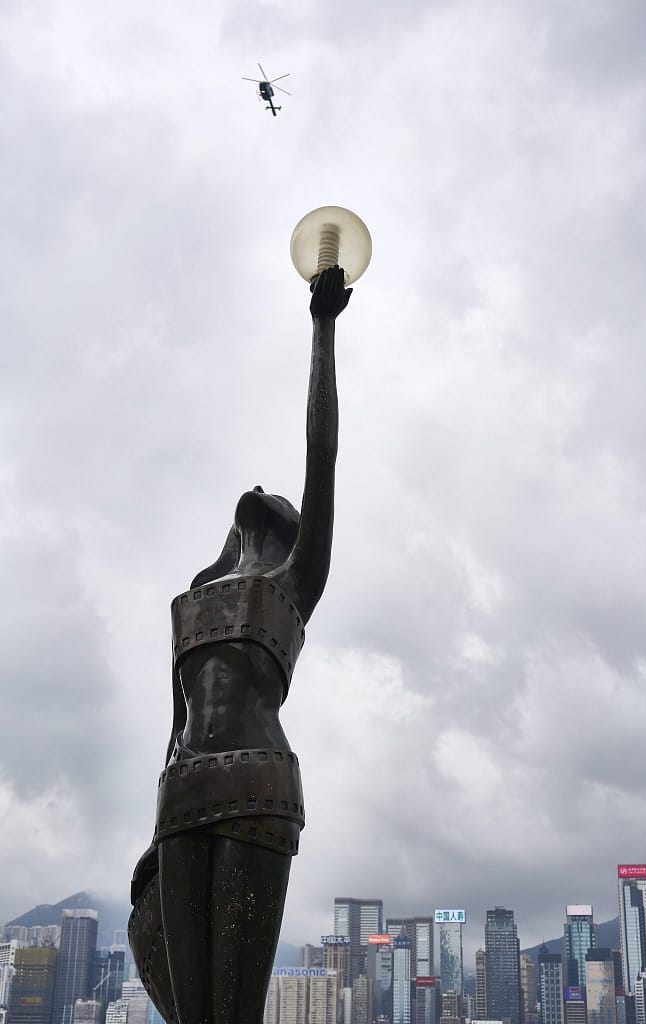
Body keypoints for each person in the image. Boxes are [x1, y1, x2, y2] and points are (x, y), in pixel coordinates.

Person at [128, 266, 351, 1024]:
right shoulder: (192, 600)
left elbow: (320, 450)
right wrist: (151, 836)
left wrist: (321, 329)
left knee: (234, 1012)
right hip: (182, 793)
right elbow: (174, 723)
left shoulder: (295, 582)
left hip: (257, 785)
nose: (258, 492)